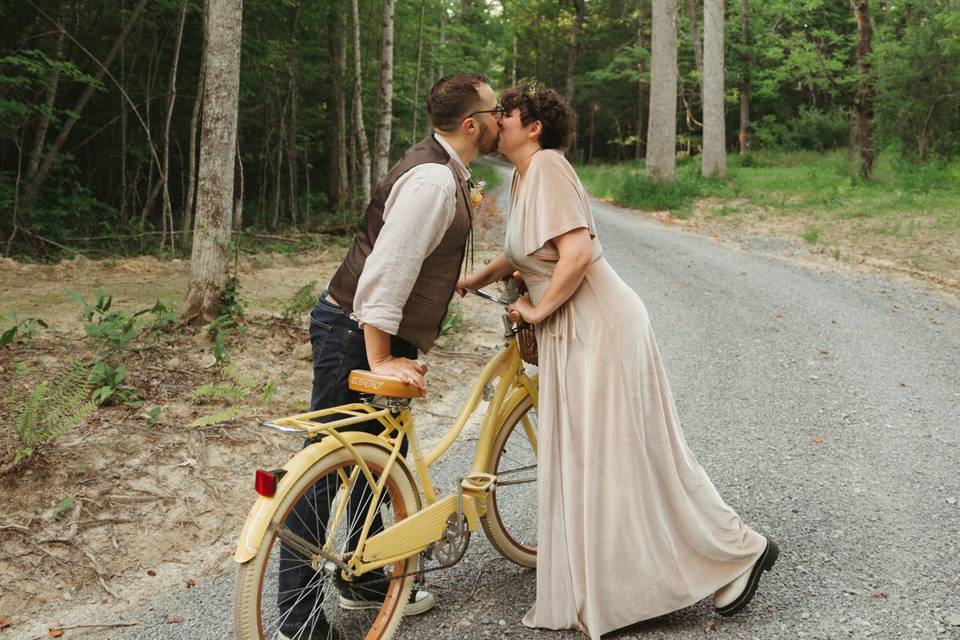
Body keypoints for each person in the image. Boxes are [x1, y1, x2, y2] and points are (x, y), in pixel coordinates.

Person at [457, 82, 778, 639]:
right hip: (574, 331)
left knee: (630, 454)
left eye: (505, 114)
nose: (496, 121)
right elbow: (521, 253)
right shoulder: (525, 176)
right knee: (594, 458)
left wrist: (538, 311)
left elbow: (577, 253)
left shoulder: (551, 167)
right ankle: (618, 582)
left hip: (600, 325)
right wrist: (470, 280)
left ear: (533, 127)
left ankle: (739, 550)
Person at [276, 73, 503, 640]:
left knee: (377, 460)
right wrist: (380, 359)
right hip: (355, 332)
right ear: (472, 124)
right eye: (496, 111)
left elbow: (416, 258)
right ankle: (293, 621)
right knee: (326, 468)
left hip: (371, 331)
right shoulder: (431, 180)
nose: (502, 118)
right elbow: (386, 272)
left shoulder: (445, 168)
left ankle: (367, 578)